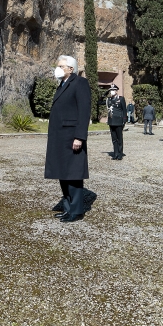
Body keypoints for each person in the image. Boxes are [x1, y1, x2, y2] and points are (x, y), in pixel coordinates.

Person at [45, 55, 91, 223]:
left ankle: (77, 210)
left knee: (73, 174)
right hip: (59, 137)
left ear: (71, 68)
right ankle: (67, 207)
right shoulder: (62, 84)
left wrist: (79, 137)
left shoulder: (80, 83)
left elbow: (84, 112)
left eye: (62, 66)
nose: (58, 68)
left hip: (72, 137)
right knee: (62, 173)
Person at [104, 84, 127, 160]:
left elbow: (124, 110)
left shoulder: (121, 99)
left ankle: (120, 154)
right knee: (114, 139)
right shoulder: (108, 100)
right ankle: (115, 153)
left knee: (119, 138)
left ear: (116, 91)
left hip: (119, 121)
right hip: (111, 121)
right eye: (111, 90)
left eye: (113, 90)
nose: (112, 91)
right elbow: (99, 102)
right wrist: (105, 94)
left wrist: (124, 120)